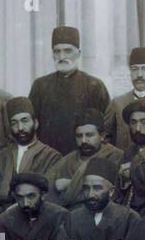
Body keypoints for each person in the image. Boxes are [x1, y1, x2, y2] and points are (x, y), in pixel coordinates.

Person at [28, 26, 110, 157]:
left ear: (78, 53)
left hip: (84, 158)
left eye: (67, 51)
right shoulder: (40, 85)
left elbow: (106, 130)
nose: (62, 56)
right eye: (57, 51)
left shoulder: (94, 86)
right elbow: (31, 126)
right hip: (47, 159)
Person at [0, 97, 61, 211]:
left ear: (35, 123)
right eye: (14, 123)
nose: (20, 128)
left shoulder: (51, 156)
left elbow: (48, 195)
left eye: (24, 121)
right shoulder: (1, 156)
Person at [49, 109, 124, 210]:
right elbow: (48, 187)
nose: (84, 140)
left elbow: (113, 193)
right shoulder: (67, 160)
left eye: (89, 135)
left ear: (102, 136)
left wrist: (69, 185)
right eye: (79, 136)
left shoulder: (115, 156)